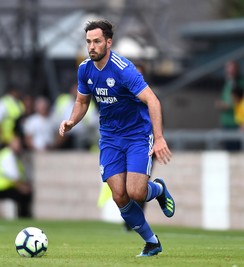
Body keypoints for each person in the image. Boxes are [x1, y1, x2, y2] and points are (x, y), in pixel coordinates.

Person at [59, 20, 175, 257]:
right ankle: (152, 242)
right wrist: (72, 120)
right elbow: (82, 101)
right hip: (110, 137)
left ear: (108, 42)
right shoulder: (85, 69)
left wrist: (159, 138)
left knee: (136, 192)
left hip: (137, 135)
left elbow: (152, 101)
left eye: (97, 41)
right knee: (119, 195)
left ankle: (159, 190)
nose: (92, 46)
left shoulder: (124, 69)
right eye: (89, 42)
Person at [0, 137, 32, 218]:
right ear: (11, 144)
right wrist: (23, 188)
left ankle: (24, 216)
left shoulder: (11, 155)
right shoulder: (8, 156)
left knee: (26, 191)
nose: (19, 146)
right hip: (1, 187)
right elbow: (13, 177)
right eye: (16, 144)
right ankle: (23, 217)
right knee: (24, 194)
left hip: (3, 186)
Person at [53, 83, 99, 150]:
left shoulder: (89, 104)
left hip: (81, 132)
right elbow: (55, 116)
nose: (76, 92)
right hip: (64, 131)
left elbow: (93, 121)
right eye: (74, 89)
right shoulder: (63, 100)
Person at [0, 84, 25, 148]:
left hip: (17, 140)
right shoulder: (2, 103)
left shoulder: (19, 103)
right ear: (13, 91)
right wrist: (2, 137)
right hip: (6, 141)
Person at [215, 60, 244, 129]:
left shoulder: (243, 82)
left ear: (237, 69)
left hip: (237, 120)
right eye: (228, 69)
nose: (230, 71)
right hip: (226, 120)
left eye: (233, 69)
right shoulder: (227, 82)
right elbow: (224, 97)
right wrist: (220, 104)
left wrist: (229, 106)